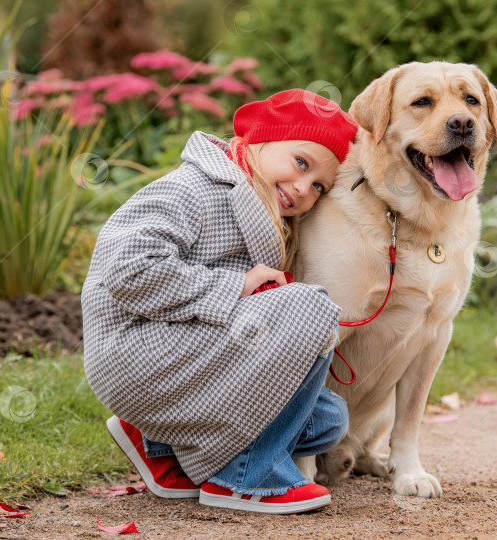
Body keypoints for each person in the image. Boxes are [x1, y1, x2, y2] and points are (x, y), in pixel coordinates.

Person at [81, 89, 359, 514]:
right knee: (312, 306)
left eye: (319, 186)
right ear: (262, 140)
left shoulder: (262, 209)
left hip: (183, 353)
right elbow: (126, 267)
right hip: (134, 347)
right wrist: (233, 286)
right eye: (301, 162)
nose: (304, 188)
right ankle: (246, 477)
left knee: (327, 420)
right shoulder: (193, 188)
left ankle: (159, 442)